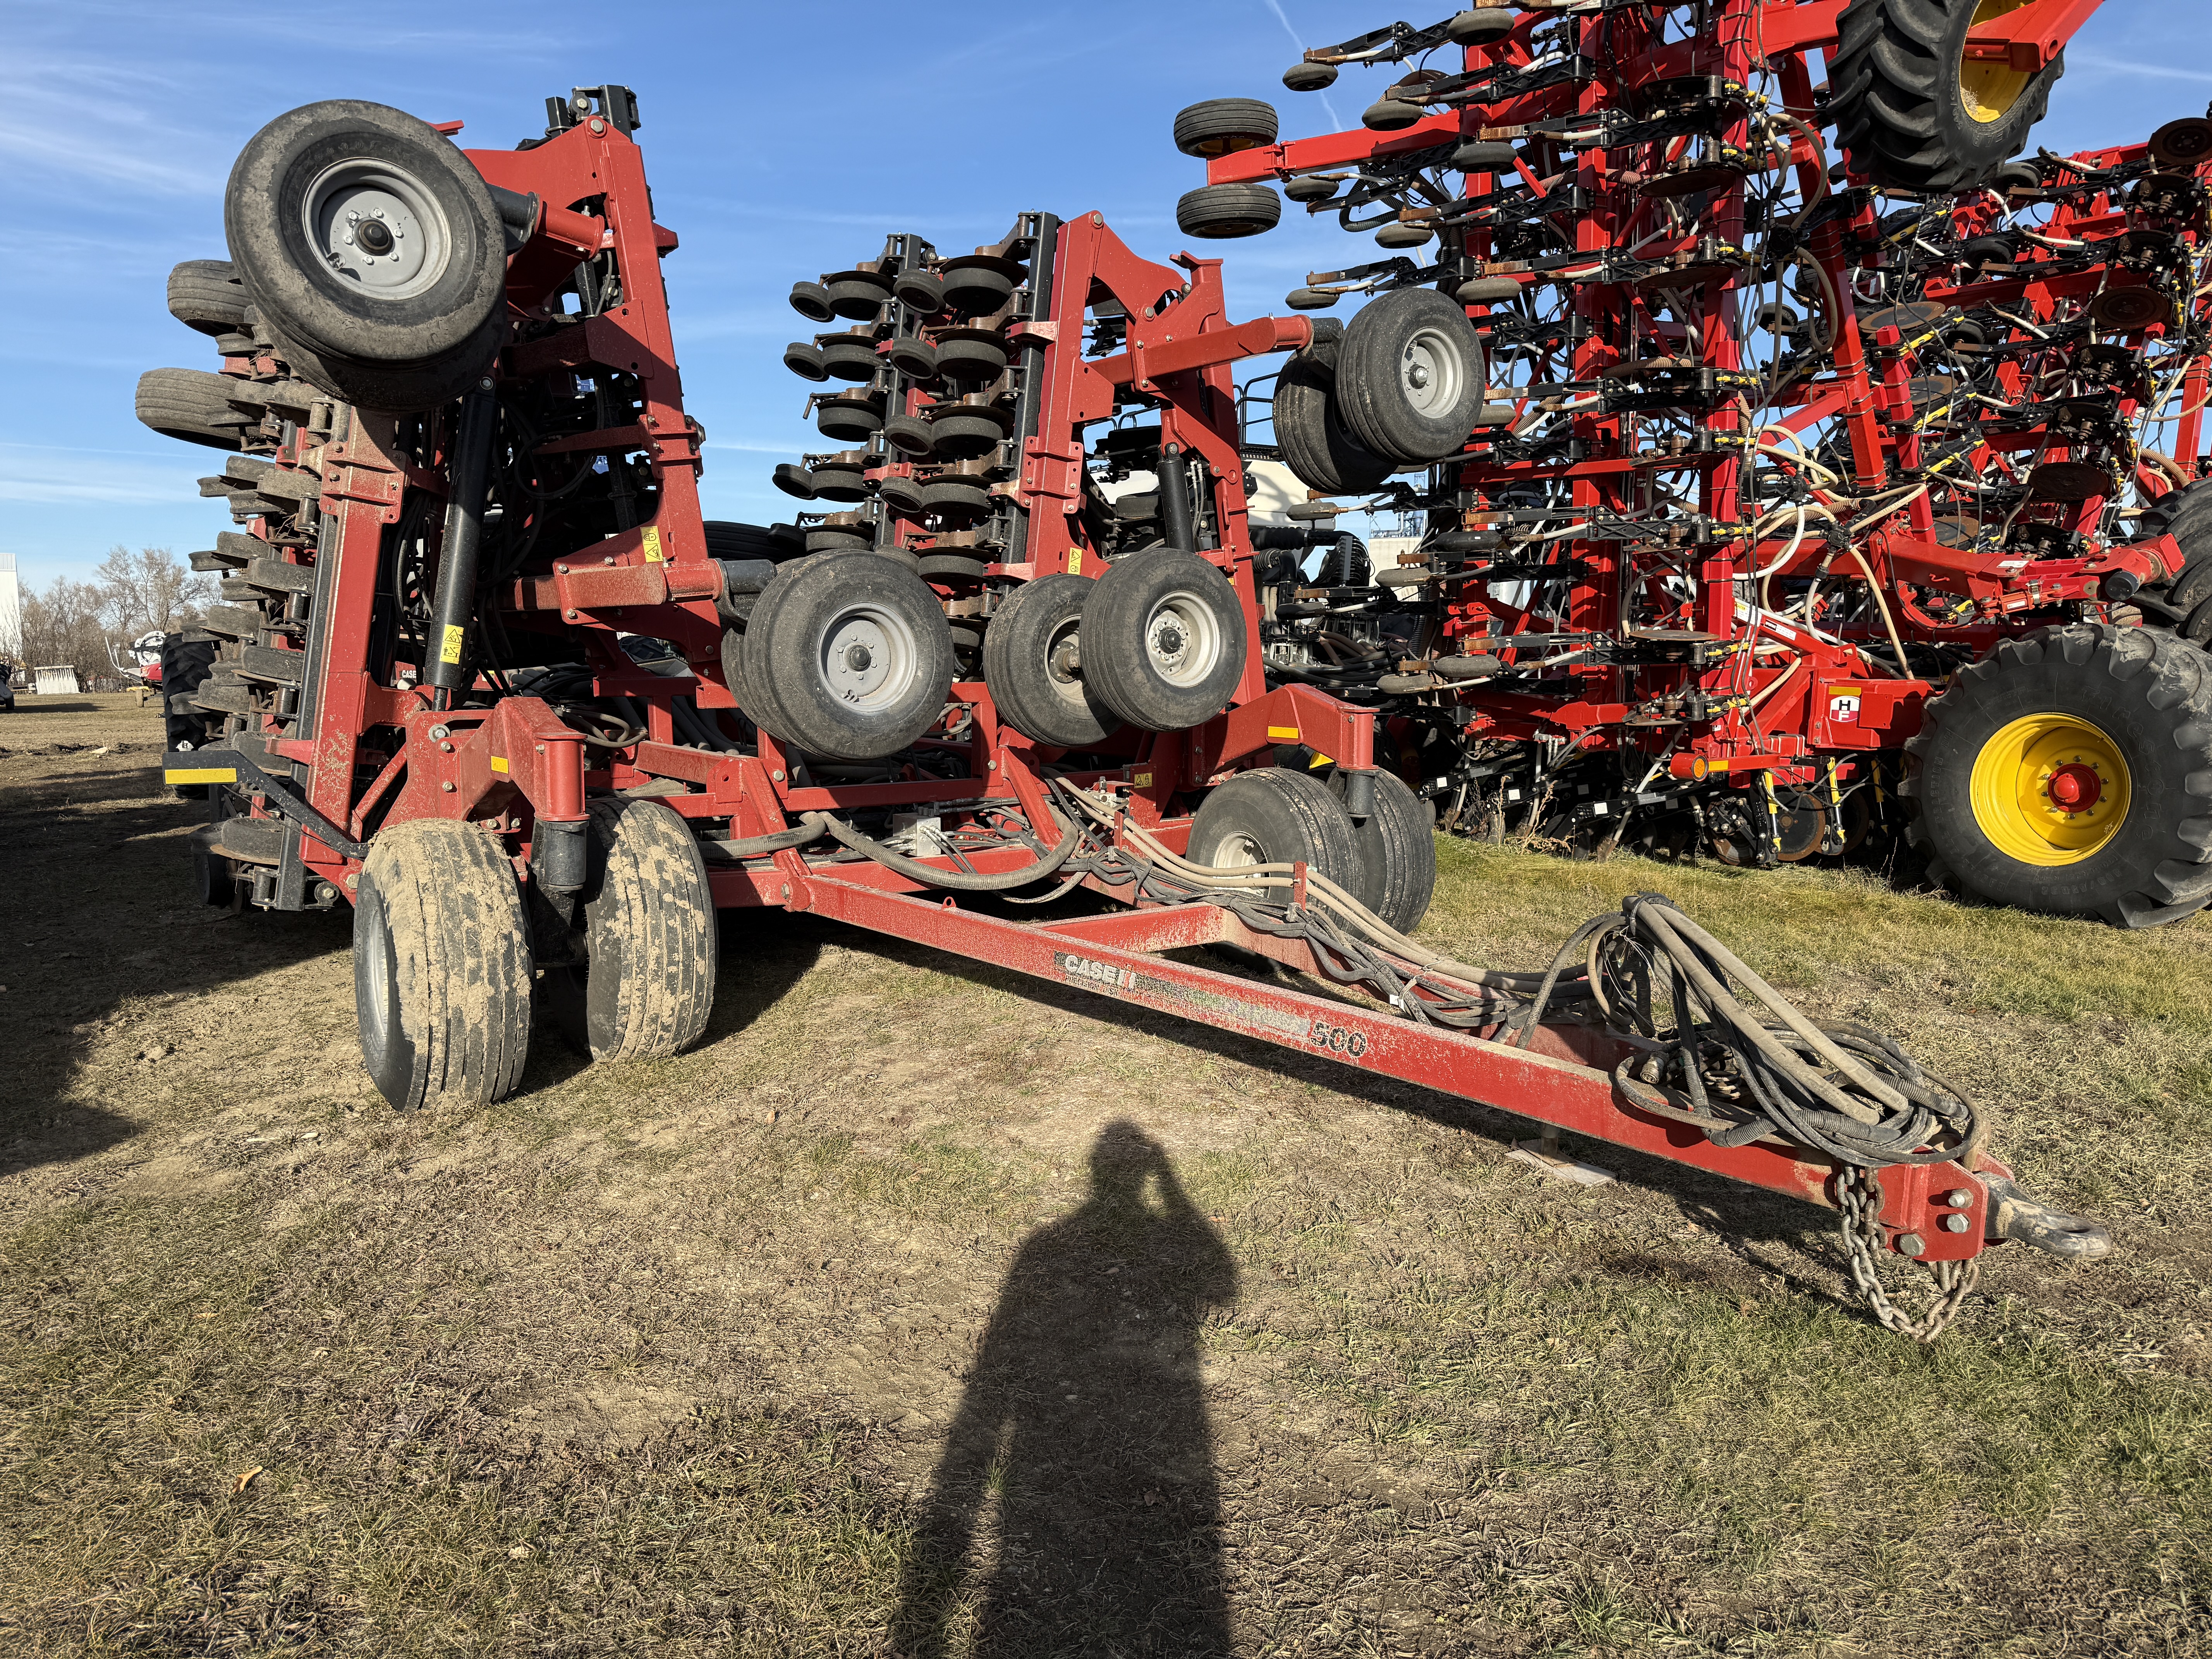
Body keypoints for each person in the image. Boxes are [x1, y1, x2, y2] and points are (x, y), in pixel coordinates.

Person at [893, 1120, 1238, 1655]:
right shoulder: (1056, 1246)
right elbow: (1221, 1286)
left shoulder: (1044, 1245)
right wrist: (1172, 1187)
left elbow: (1218, 1287)